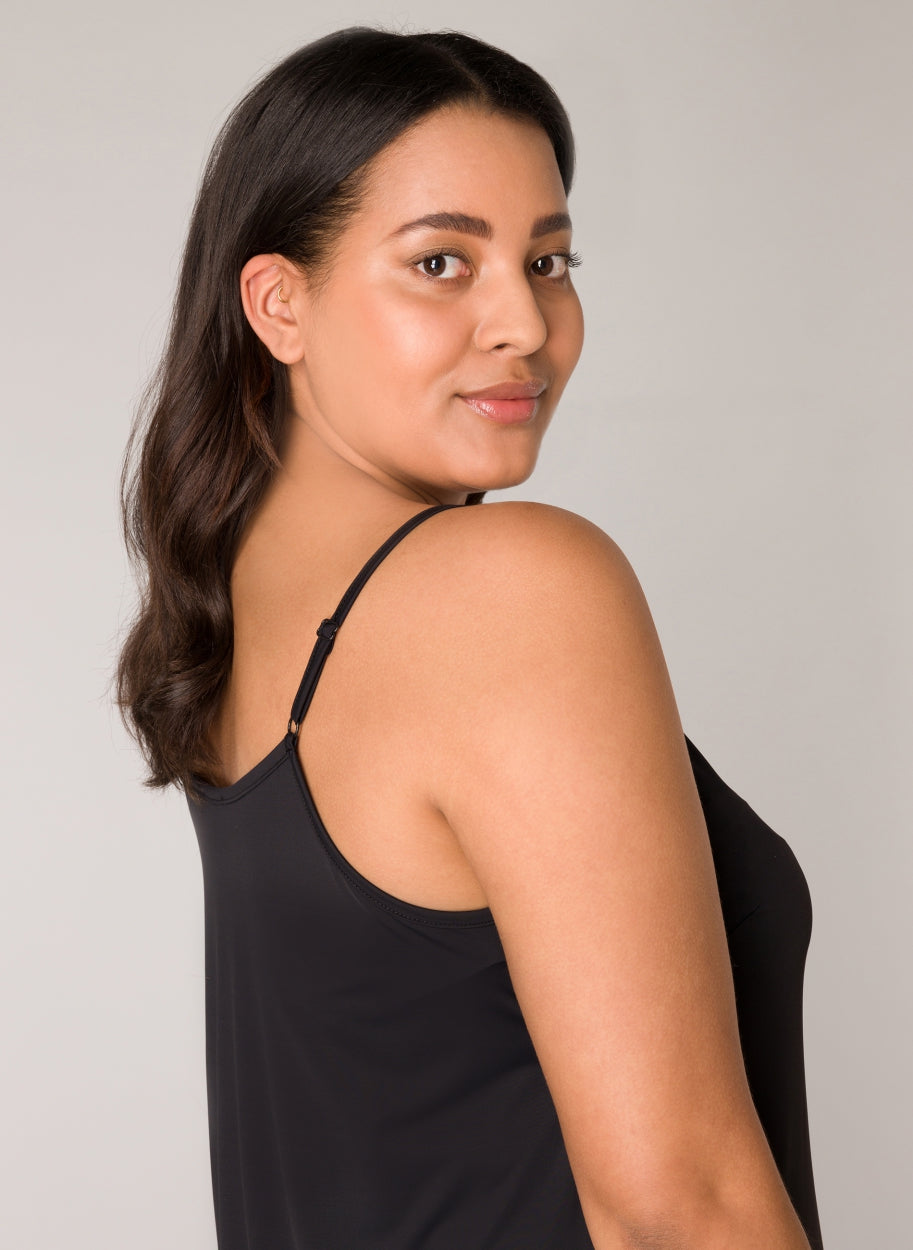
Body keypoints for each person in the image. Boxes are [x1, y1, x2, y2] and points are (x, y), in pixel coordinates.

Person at [118, 27, 823, 1250]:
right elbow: (677, 1208)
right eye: (441, 261)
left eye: (549, 261)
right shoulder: (508, 588)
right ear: (280, 303)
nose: (524, 323)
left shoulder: (241, 631)